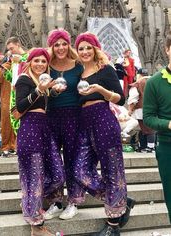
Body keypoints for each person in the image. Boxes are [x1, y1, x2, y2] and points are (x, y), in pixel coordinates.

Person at [74, 32, 135, 236]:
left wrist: (101, 90)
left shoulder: (106, 69)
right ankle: (119, 199)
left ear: (95, 49)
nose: (84, 51)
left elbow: (120, 99)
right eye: (81, 48)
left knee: (112, 170)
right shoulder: (77, 73)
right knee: (79, 171)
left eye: (88, 47)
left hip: (103, 120)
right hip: (84, 122)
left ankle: (113, 225)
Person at [15, 48, 62, 236]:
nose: (40, 64)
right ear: (30, 62)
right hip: (30, 130)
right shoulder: (24, 80)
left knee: (58, 174)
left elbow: (45, 104)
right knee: (34, 177)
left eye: (44, 61)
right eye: (37, 61)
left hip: (44, 129)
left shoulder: (44, 82)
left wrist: (54, 91)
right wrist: (39, 90)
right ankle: (37, 226)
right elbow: (20, 106)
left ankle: (29, 198)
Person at [43, 28, 85, 221]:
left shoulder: (78, 66)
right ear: (51, 46)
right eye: (56, 44)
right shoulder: (46, 66)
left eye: (63, 43)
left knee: (71, 158)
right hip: (51, 116)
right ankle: (56, 201)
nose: (60, 48)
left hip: (73, 116)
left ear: (69, 45)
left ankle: (73, 201)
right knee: (52, 159)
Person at [143, 31, 171, 223]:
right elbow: (148, 118)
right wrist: (168, 124)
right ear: (167, 50)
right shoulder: (154, 82)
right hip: (168, 147)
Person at [0, 37, 27, 157]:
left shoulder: (28, 60)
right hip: (10, 96)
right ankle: (9, 146)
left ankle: (11, 146)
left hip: (23, 97)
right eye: (9, 50)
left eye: (12, 48)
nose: (11, 52)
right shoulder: (8, 64)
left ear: (18, 45)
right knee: (9, 121)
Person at [128, 68, 155, 152]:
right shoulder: (154, 81)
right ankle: (146, 146)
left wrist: (130, 110)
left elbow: (133, 99)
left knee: (146, 128)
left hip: (141, 109)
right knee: (150, 128)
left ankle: (150, 147)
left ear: (138, 74)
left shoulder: (138, 83)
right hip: (154, 108)